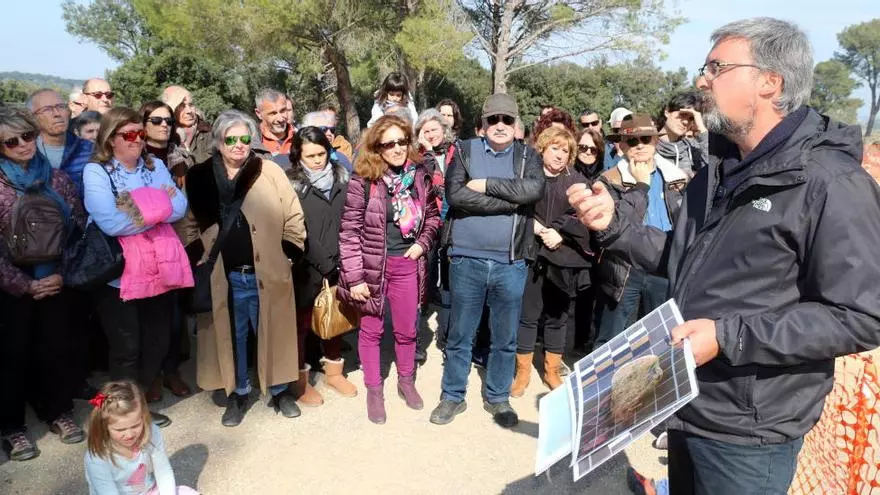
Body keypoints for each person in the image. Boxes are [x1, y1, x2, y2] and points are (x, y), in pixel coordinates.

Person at [567, 17, 880, 494]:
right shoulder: (719, 169)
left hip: (748, 433)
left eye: (717, 68)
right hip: (685, 401)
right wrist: (614, 227)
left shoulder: (830, 183)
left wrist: (726, 337)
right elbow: (686, 259)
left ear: (770, 82)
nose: (702, 82)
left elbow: (860, 315)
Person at [183, 110, 306, 427]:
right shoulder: (200, 177)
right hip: (225, 277)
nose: (239, 144)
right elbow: (188, 224)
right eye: (231, 139)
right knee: (232, 339)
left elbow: (293, 215)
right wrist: (198, 254)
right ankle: (238, 393)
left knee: (274, 333)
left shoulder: (269, 170)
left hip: (268, 273)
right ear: (218, 142)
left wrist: (289, 254)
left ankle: (279, 391)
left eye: (245, 138)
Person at [430, 93, 544, 428]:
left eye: (506, 119)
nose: (500, 125)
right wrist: (510, 200)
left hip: (510, 262)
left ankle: (497, 397)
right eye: (493, 119)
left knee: (504, 338)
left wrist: (486, 185)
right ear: (483, 124)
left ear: (515, 123)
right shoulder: (465, 150)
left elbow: (533, 191)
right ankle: (453, 396)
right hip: (467, 260)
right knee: (460, 334)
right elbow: (456, 195)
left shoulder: (528, 156)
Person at [83, 107, 190, 429]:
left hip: (160, 268)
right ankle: (119, 415)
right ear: (110, 138)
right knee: (126, 349)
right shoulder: (97, 171)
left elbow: (180, 207)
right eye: (129, 134)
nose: (137, 140)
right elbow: (110, 222)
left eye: (140, 133)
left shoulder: (155, 165)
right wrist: (158, 204)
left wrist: (133, 205)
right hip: (120, 275)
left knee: (157, 342)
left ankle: (137, 407)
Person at [337, 115, 440, 424]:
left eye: (402, 142)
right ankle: (374, 389)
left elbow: (433, 217)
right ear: (376, 147)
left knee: (407, 330)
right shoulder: (363, 180)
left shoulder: (419, 176)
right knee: (371, 331)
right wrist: (354, 278)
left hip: (407, 264)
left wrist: (422, 244)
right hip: (372, 268)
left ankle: (406, 381)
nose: (397, 149)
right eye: (389, 144)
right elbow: (349, 231)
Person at [0, 107, 87, 461]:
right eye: (11, 141)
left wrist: (61, 274)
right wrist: (23, 285)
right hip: (11, 287)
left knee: (55, 350)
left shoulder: (58, 179)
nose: (23, 144)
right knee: (12, 357)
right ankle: (12, 427)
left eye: (28, 136)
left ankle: (58, 411)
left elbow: (78, 230)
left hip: (56, 279)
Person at [592, 114, 689, 348]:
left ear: (655, 141)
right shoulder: (608, 180)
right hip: (625, 268)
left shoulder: (677, 177)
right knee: (613, 341)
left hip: (665, 264)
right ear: (623, 146)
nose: (639, 146)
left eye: (645, 139)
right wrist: (641, 185)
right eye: (632, 141)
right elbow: (615, 228)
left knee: (661, 339)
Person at [512, 126, 592, 396]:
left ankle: (552, 370)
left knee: (558, 315)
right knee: (528, 315)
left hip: (562, 255)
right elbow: (517, 206)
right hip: (531, 252)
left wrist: (560, 233)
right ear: (543, 148)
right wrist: (535, 227)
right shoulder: (528, 173)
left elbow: (582, 215)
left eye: (565, 150)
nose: (559, 155)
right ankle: (522, 372)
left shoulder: (577, 181)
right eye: (554, 148)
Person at [287, 127, 359, 402]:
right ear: (298, 156)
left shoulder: (343, 177)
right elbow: (297, 229)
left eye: (321, 154)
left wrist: (344, 257)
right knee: (301, 324)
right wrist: (323, 261)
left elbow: (352, 218)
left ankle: (333, 372)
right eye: (310, 156)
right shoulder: (291, 185)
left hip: (341, 261)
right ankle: (300, 381)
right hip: (306, 266)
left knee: (335, 316)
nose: (318, 160)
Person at [137, 100, 193, 404]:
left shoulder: (181, 156)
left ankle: (171, 371)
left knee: (174, 316)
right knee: (150, 318)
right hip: (143, 246)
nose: (164, 126)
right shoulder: (135, 157)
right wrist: (161, 203)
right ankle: (153, 375)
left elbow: (180, 206)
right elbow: (136, 207)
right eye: (156, 120)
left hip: (178, 241)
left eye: (169, 121)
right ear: (143, 124)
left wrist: (160, 204)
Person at [84, 381, 198, 494]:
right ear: (103, 426)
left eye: (136, 425)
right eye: (120, 430)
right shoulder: (97, 456)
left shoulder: (151, 432)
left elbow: (163, 471)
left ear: (144, 416)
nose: (129, 435)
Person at [414, 108, 457, 362]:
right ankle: (415, 338)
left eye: (434, 129)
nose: (431, 134)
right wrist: (428, 153)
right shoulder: (416, 156)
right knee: (423, 279)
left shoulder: (457, 151)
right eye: (425, 131)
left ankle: (448, 336)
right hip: (427, 223)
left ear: (444, 129)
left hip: (453, 222)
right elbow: (428, 183)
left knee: (451, 281)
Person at [27, 89, 95, 194]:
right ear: (33, 117)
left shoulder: (88, 149)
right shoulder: (24, 152)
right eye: (47, 109)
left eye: (61, 107)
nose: (57, 113)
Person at [656, 90, 709, 176]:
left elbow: (712, 170)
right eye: (682, 114)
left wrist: (702, 129)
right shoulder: (646, 144)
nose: (685, 122)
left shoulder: (691, 147)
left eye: (691, 118)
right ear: (667, 112)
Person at [160, 85, 213, 167]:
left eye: (190, 105)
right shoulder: (162, 135)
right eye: (181, 106)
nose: (189, 111)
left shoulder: (209, 133)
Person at [254, 88, 295, 157]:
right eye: (273, 113)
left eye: (283, 110)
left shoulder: (300, 136)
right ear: (259, 114)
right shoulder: (251, 143)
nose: (280, 119)